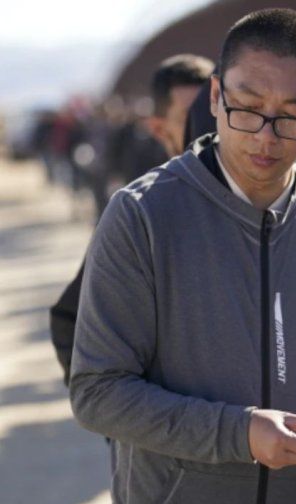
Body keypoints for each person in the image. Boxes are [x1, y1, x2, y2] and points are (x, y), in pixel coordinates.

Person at [69, 9, 296, 504]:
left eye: (293, 117)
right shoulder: (143, 216)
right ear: (217, 95)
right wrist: (239, 432)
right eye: (248, 109)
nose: (267, 139)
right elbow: (98, 391)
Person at [49, 54, 214, 383]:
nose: (209, 127)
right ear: (157, 127)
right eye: (191, 116)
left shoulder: (261, 201)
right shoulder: (140, 213)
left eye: (215, 112)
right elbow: (72, 324)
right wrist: (124, 423)